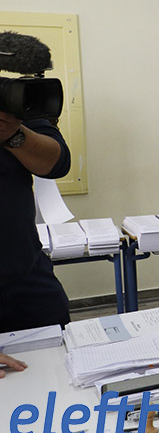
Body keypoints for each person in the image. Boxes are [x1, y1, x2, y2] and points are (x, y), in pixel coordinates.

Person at [0, 111, 72, 333]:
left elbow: (57, 163)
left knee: (59, 345)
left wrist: (13, 134)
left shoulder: (8, 106)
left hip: (27, 277)